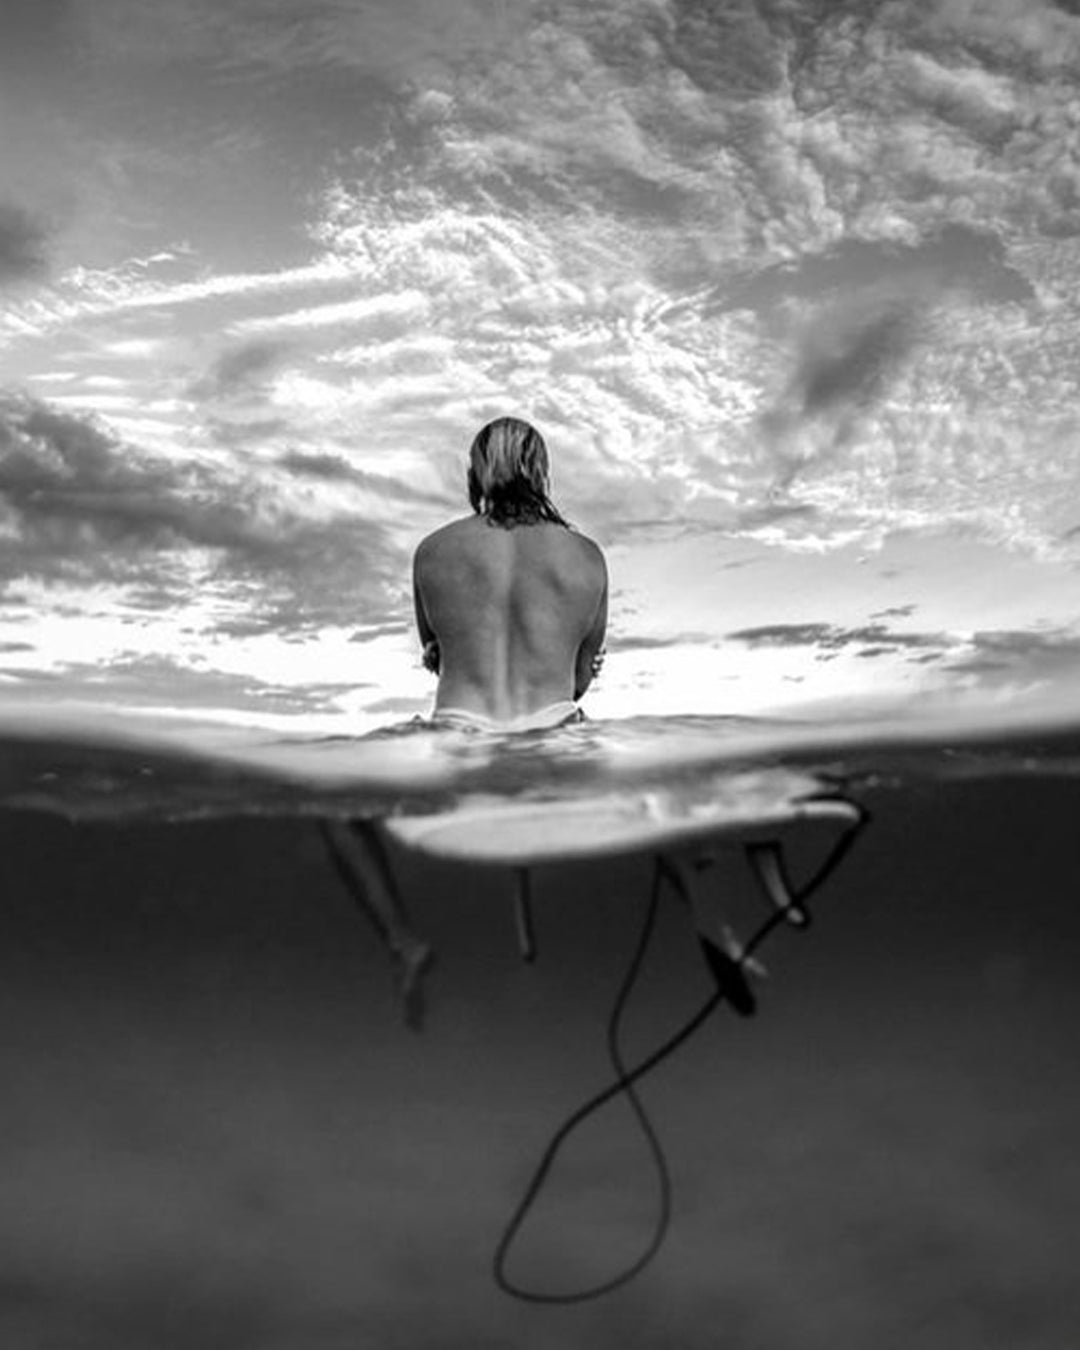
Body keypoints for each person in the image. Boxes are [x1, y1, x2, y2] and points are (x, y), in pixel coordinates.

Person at [324, 417, 608, 1028]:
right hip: (555, 729)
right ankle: (709, 923)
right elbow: (581, 680)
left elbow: (436, 658)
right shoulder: (586, 557)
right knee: (666, 793)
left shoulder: (434, 550)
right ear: (542, 470)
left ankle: (404, 939)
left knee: (336, 803)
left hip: (458, 730)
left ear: (475, 472)